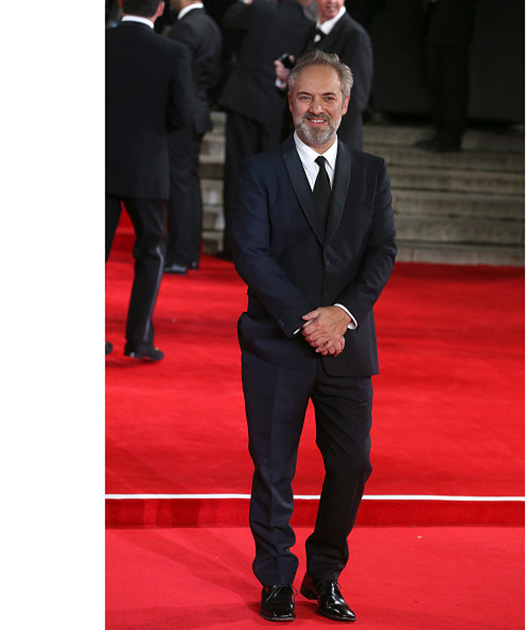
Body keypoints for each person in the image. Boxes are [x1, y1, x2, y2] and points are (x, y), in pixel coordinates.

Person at [232, 50, 397, 622]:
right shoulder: (258, 171)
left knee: (352, 466)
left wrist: (342, 315)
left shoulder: (372, 171)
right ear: (290, 101)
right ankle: (276, 577)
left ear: (346, 104)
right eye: (306, 96)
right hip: (277, 343)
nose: (317, 108)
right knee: (273, 467)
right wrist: (310, 319)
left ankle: (324, 574)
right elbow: (250, 253)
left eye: (329, 97)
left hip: (347, 345)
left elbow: (382, 251)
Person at [106, 0, 193, 360]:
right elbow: (183, 115)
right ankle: (139, 340)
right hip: (147, 167)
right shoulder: (173, 52)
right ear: (160, 8)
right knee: (150, 252)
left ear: (120, 3)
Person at [217, 0, 315, 261]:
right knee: (269, 181)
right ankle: (262, 246)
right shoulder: (306, 25)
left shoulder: (259, 8)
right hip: (275, 109)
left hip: (243, 102)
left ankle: (234, 245)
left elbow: (231, 17)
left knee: (237, 173)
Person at [163, 0, 223, 274]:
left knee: (179, 184)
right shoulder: (210, 25)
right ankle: (189, 254)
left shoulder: (186, 28)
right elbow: (214, 76)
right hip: (197, 110)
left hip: (182, 116)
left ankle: (178, 255)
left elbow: (175, 77)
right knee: (188, 183)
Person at [274, 0, 373, 150]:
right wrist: (286, 78)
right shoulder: (310, 31)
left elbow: (357, 99)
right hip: (301, 142)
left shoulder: (355, 36)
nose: (331, 1)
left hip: (335, 145)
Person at [416, 0, 478, 152]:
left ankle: (451, 136)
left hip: (455, 23)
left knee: (453, 81)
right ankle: (441, 131)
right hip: (435, 20)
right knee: (437, 80)